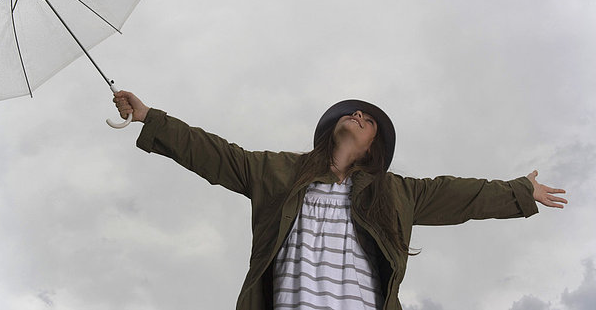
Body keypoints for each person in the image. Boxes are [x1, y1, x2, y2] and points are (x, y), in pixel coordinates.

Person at [113, 91, 567, 310]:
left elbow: (460, 195)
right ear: (332, 128)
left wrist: (521, 192)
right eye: (353, 112)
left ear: (375, 148)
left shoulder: (397, 193)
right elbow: (212, 153)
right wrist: (149, 117)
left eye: (369, 119)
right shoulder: (276, 172)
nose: (359, 114)